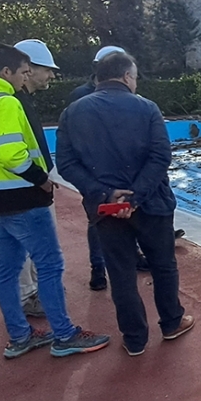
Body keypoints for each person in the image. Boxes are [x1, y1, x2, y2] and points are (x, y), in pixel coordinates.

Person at [0, 42, 111, 359]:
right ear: (6, 71)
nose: (25, 79)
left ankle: (19, 335)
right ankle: (65, 335)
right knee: (50, 265)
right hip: (23, 197)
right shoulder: (5, 101)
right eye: (24, 72)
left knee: (7, 270)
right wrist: (41, 180)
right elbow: (11, 154)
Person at [56, 50, 194, 356]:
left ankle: (134, 339)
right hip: (152, 204)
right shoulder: (146, 108)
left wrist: (105, 194)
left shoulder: (73, 112)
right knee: (163, 265)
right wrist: (137, 195)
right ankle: (171, 323)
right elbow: (161, 156)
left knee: (120, 273)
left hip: (105, 210)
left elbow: (65, 164)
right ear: (127, 76)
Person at [67, 45, 126, 289]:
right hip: (94, 174)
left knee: (127, 214)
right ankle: (98, 268)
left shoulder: (125, 97)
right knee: (97, 221)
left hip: (120, 171)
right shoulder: (80, 97)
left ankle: (129, 259)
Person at [12, 38, 62, 319]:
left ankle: (34, 290)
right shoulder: (12, 103)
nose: (51, 76)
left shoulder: (22, 101)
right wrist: (39, 178)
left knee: (35, 243)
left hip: (32, 184)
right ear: (29, 68)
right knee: (25, 244)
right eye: (47, 69)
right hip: (26, 186)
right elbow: (13, 152)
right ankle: (27, 295)